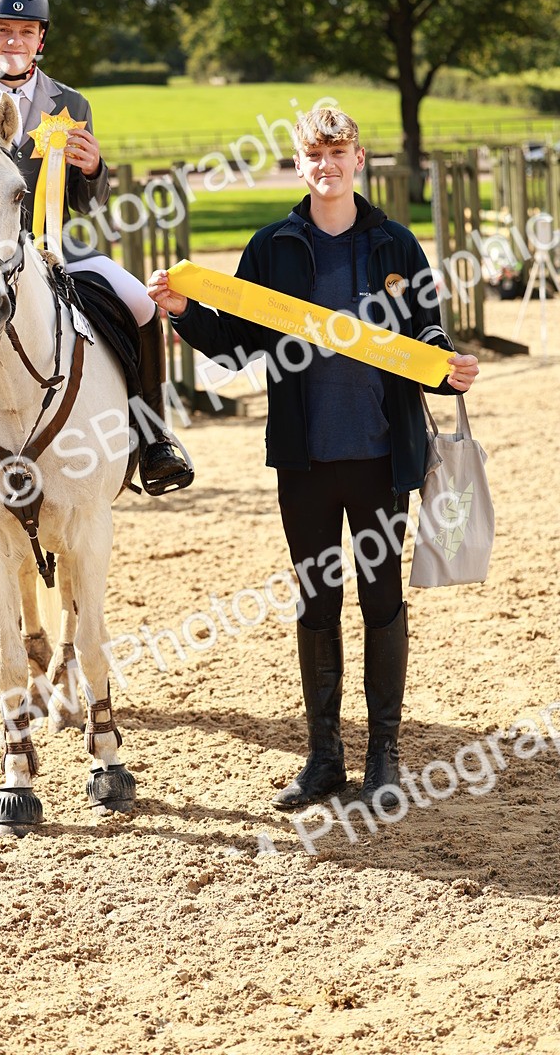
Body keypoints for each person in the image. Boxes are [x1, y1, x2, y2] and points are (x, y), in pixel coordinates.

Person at [148, 107, 479, 810]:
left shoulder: (394, 243)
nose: (326, 165)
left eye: (338, 153)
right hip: (303, 459)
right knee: (315, 601)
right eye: (313, 155)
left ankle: (382, 756)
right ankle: (324, 757)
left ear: (359, 159)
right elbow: (237, 345)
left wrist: (446, 365)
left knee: (380, 599)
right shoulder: (273, 247)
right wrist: (181, 311)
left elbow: (425, 332)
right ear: (299, 164)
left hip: (382, 453)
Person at [0, 0, 192, 535]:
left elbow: (88, 200)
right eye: (3, 31)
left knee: (141, 304)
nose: (14, 42)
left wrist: (94, 168)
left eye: (24, 32)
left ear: (40, 40)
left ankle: (153, 440)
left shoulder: (70, 103)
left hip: (54, 248)